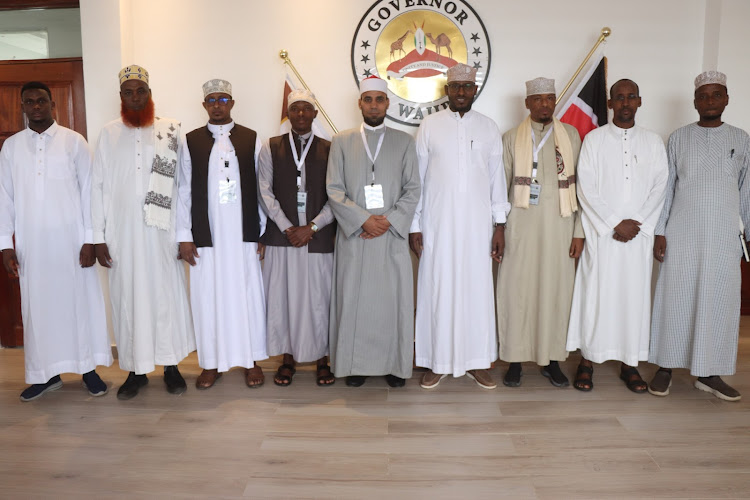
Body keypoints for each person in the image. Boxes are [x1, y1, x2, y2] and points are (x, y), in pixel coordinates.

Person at [0, 81, 111, 402]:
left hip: (73, 243)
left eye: (41, 100)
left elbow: (91, 193)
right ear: (22, 107)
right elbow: (4, 199)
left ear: (53, 105)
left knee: (79, 304)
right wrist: (6, 243)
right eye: (29, 102)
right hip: (32, 246)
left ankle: (88, 369)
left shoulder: (74, 142)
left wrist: (91, 239)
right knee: (38, 308)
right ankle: (45, 375)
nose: (36, 106)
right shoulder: (11, 147)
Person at [92, 65, 195, 400]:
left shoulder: (170, 131)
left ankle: (171, 366)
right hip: (122, 233)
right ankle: (135, 370)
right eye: (127, 92)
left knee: (165, 296)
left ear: (150, 94)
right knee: (128, 299)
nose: (134, 98)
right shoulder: (108, 133)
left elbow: (183, 188)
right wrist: (98, 236)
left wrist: (183, 234)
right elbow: (97, 187)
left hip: (161, 233)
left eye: (140, 92)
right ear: (120, 96)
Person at [648, 71, 750, 402]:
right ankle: (665, 367)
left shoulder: (742, 139)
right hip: (682, 234)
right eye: (703, 96)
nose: (710, 101)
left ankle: (709, 373)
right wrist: (660, 230)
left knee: (718, 302)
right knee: (675, 299)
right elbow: (665, 190)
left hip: (722, 237)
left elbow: (747, 191)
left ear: (726, 99)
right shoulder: (678, 138)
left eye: (716, 95)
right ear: (695, 102)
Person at [410, 63, 509, 390]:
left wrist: (500, 225)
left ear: (475, 90)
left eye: (467, 87)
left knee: (476, 291)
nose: (462, 93)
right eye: (456, 87)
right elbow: (417, 181)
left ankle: (477, 361)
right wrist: (415, 224)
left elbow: (498, 180)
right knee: (437, 288)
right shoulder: (429, 126)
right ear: (447, 91)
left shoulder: (489, 128)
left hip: (478, 226)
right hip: (437, 223)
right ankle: (436, 361)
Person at [566, 79, 668, 392]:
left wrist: (636, 223)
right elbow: (586, 187)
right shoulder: (594, 141)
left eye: (631, 97)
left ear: (639, 101)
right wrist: (614, 223)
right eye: (619, 98)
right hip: (602, 236)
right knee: (595, 295)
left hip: (638, 237)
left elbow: (660, 186)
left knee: (633, 298)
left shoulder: (652, 142)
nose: (625, 103)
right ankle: (588, 361)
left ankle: (630, 364)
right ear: (610, 104)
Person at [326, 76, 420, 388]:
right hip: (356, 238)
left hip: (391, 238)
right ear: (360, 103)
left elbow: (413, 189)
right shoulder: (342, 141)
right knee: (354, 299)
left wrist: (388, 221)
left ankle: (395, 365)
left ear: (387, 103)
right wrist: (364, 220)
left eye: (380, 99)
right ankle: (355, 365)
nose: (374, 105)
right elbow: (334, 190)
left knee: (393, 302)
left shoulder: (405, 141)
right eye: (369, 100)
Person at [176, 79, 267, 390]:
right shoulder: (190, 141)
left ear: (232, 102)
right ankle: (210, 362)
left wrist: (262, 232)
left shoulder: (252, 138)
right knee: (207, 297)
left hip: (243, 233)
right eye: (211, 99)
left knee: (247, 294)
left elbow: (261, 188)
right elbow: (183, 191)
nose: (217, 104)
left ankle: (251, 359)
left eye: (223, 99)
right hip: (207, 234)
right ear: (204, 105)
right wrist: (184, 235)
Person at [496, 77, 584, 388]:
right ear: (527, 103)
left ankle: (552, 360)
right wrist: (499, 230)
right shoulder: (510, 138)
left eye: (550, 98)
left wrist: (578, 232)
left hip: (560, 228)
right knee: (516, 292)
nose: (544, 104)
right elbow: (499, 189)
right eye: (538, 99)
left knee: (555, 293)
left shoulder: (571, 136)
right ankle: (515, 360)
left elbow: (581, 189)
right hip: (520, 228)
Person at [259, 89, 336, 387]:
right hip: (283, 239)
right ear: (288, 114)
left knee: (320, 300)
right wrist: (288, 226)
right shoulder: (271, 147)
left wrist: (312, 227)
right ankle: (287, 358)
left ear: (315, 113)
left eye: (307, 109)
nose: (301, 114)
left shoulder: (331, 149)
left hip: (318, 239)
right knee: (284, 299)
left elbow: (338, 195)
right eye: (295, 110)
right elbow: (264, 192)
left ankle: (322, 360)